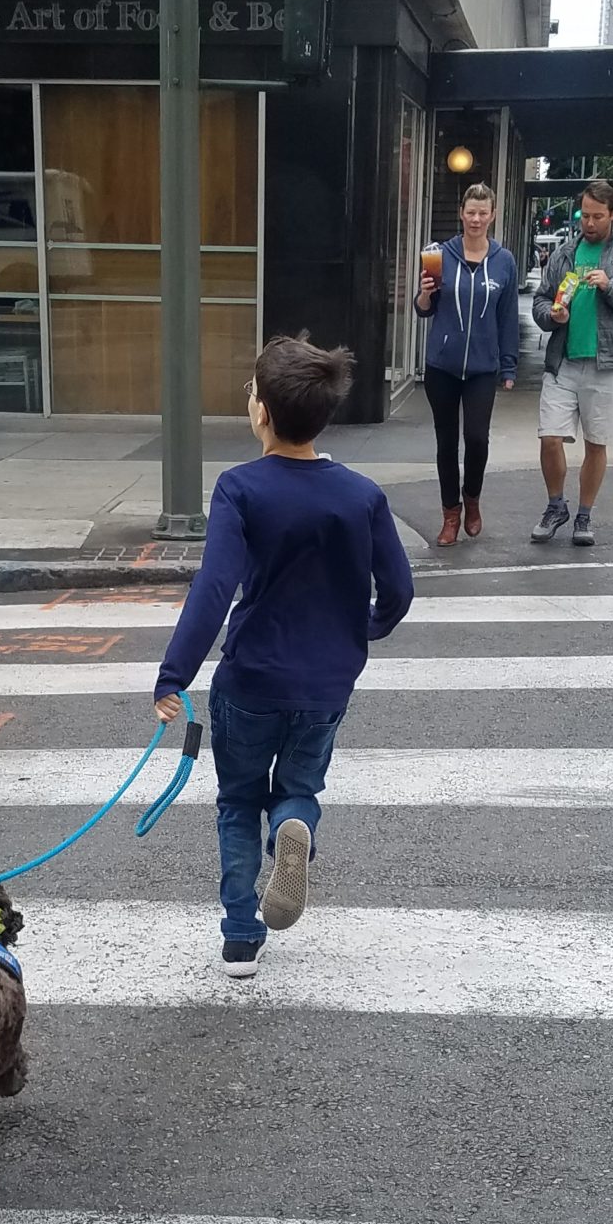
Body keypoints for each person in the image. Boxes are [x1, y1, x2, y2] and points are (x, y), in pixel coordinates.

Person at [154, 335, 414, 976]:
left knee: (239, 801)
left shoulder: (240, 489)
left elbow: (215, 587)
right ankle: (294, 826)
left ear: (262, 412)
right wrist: (364, 630)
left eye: (252, 391)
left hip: (251, 680)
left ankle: (241, 935)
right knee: (298, 786)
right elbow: (399, 590)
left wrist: (174, 674)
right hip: (325, 684)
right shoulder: (361, 494)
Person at [530, 180, 613, 545]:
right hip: (563, 360)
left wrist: (611, 286)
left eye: (597, 216)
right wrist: (551, 315)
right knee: (549, 437)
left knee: (595, 443)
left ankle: (584, 515)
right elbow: (540, 300)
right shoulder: (565, 254)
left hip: (608, 363)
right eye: (584, 215)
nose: (588, 223)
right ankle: (555, 505)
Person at [414, 181, 520, 544]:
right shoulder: (440, 255)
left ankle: (472, 498)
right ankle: (450, 514)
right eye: (470, 212)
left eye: (482, 213)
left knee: (476, 438)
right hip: (442, 365)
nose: (476, 219)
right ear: (461, 214)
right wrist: (424, 295)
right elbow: (424, 310)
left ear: (493, 216)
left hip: (482, 367)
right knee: (446, 442)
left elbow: (508, 317)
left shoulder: (504, 261)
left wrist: (508, 365)